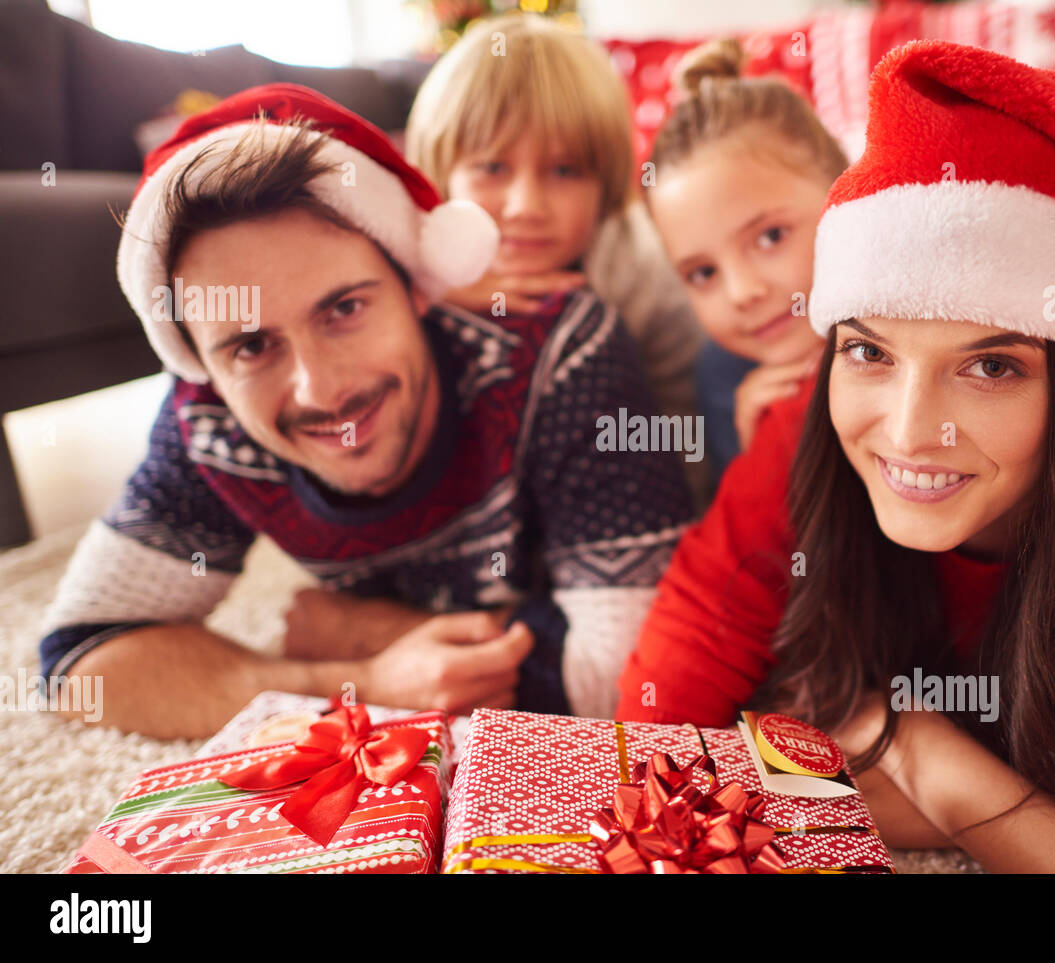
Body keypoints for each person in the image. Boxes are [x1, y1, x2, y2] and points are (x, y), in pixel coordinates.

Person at [616, 42, 1055, 873]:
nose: (908, 433)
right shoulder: (804, 421)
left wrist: (934, 766)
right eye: (870, 353)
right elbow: (678, 679)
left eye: (991, 366)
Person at [38, 84, 695, 739]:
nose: (322, 391)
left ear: (417, 285)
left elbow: (634, 680)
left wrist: (355, 627)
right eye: (252, 345)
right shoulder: (207, 417)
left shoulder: (565, 350)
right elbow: (80, 663)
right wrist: (364, 680)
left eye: (344, 309)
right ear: (203, 368)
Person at [404, 14, 709, 506]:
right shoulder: (407, 254)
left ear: (605, 182)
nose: (526, 206)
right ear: (442, 174)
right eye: (493, 167)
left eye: (564, 170)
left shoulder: (645, 275)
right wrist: (429, 292)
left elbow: (683, 441)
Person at [642, 39, 847, 491]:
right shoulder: (725, 375)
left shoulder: (916, 311)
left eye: (770, 237)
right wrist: (762, 465)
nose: (742, 292)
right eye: (703, 273)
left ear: (845, 191)